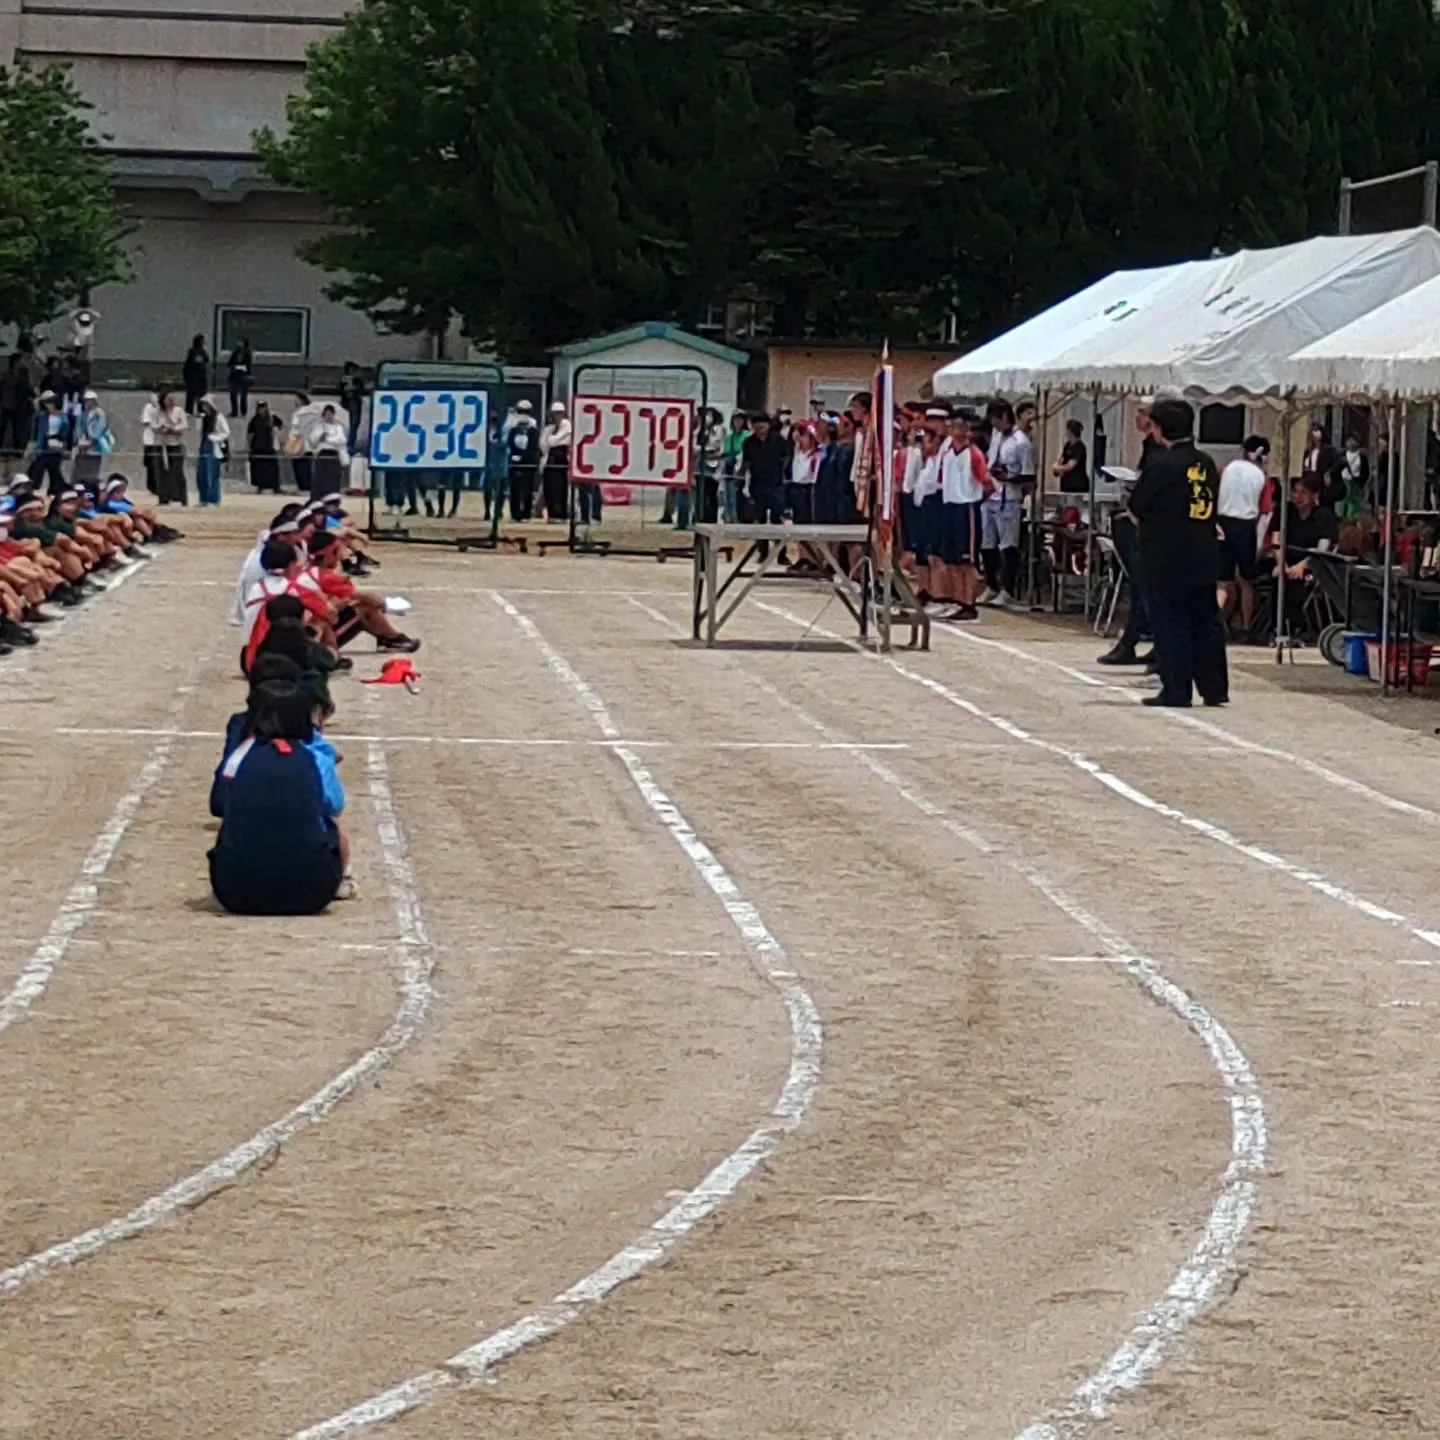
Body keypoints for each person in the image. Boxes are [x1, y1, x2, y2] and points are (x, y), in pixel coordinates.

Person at [208, 677, 354, 914]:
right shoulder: (314, 755)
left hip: (235, 893)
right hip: (313, 893)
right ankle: (343, 880)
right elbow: (334, 805)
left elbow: (221, 803)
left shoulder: (239, 756)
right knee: (331, 822)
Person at [1127, 398, 1227, 708]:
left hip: (1168, 555)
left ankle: (1177, 688)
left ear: (1159, 429)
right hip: (1204, 550)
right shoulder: (1205, 463)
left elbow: (1136, 507)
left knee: (1171, 621)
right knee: (1206, 620)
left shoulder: (1162, 465)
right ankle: (1215, 687)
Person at [933, 409, 993, 622]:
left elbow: (988, 483)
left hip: (966, 507)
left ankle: (969, 603)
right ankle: (957, 600)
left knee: (967, 561)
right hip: (949, 506)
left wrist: (975, 499)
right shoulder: (948, 453)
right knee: (951, 561)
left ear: (967, 430)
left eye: (958, 426)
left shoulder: (974, 454)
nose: (954, 430)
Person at [1216, 435, 1269, 640]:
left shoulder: (1226, 469)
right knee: (1247, 580)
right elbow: (1264, 512)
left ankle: (1217, 620)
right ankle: (1247, 627)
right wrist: (1259, 544)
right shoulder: (1261, 477)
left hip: (1222, 523)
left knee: (1222, 580)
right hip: (1246, 527)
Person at [980, 398, 1032, 606]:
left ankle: (1007, 588)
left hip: (1009, 497)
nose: (994, 424)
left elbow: (1028, 476)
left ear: (1004, 416)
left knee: (1007, 545)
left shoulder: (1021, 442)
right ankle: (991, 584)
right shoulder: (997, 438)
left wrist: (1008, 478)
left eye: (996, 419)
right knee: (987, 544)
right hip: (991, 496)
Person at [1275, 474, 1339, 642]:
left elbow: (1322, 548)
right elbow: (1277, 539)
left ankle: (1297, 627)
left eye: (1304, 492)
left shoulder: (1324, 516)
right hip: (1284, 561)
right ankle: (1277, 627)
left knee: (1298, 583)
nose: (1298, 497)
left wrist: (1302, 565)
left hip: (1312, 565)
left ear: (1314, 495)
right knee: (1277, 578)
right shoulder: (1285, 511)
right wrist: (1282, 564)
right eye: (1295, 492)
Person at [142, 388, 188, 504]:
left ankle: (181, 498)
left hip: (174, 445)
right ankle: (164, 497)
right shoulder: (158, 412)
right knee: (161, 473)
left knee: (177, 472)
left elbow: (183, 425)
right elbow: (153, 424)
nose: (170, 401)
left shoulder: (178, 411)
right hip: (161, 444)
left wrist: (172, 428)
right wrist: (159, 427)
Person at [740, 412, 787, 523]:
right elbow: (746, 462)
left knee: (777, 512)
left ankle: (777, 537)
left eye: (762, 426)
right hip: (757, 482)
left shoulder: (778, 439)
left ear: (768, 425)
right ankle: (762, 539)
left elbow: (786, 456)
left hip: (775, 481)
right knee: (759, 513)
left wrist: (784, 471)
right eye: (756, 427)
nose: (759, 429)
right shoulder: (748, 443)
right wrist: (742, 477)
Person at [28, 391, 72, 493]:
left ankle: (56, 491)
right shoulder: (42, 416)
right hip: (42, 449)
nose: (48, 405)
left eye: (50, 402)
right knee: (37, 470)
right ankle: (33, 489)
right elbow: (37, 433)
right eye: (46, 403)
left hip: (56, 448)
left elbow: (66, 433)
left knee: (54, 472)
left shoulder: (63, 417)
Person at [307, 403, 350, 502]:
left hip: (334, 455)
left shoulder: (338, 427)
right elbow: (313, 441)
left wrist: (327, 439)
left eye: (331, 414)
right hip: (322, 454)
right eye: (327, 414)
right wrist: (320, 437)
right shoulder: (318, 427)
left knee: (333, 479)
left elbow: (341, 440)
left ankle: (332, 497)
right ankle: (318, 498)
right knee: (320, 478)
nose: (329, 416)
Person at [505, 400, 540, 522]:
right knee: (514, 489)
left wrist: (524, 457)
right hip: (515, 461)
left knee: (527, 490)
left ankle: (526, 514)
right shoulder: (513, 427)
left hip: (528, 462)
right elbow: (509, 442)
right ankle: (515, 514)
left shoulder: (533, 427)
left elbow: (533, 446)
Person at [538, 401, 572, 522]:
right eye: (554, 413)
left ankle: (561, 514)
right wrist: (550, 442)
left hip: (561, 460)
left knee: (560, 489)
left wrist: (551, 441)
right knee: (549, 489)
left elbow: (553, 441)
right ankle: (551, 513)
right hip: (548, 460)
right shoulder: (549, 428)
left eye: (559, 413)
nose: (556, 416)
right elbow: (543, 444)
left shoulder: (567, 426)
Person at [73, 391, 112, 488]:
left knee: (94, 468)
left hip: (95, 445)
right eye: (86, 400)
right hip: (83, 445)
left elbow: (101, 427)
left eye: (90, 400)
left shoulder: (100, 413)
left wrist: (92, 439)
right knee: (81, 467)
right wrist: (80, 439)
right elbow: (79, 428)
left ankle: (92, 487)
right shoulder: (82, 414)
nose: (88, 402)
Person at [196, 398, 230, 506]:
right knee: (202, 475)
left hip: (214, 447)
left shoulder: (218, 417)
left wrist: (214, 438)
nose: (204, 408)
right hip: (203, 445)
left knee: (212, 475)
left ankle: (213, 499)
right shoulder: (203, 418)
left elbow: (226, 432)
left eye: (206, 405)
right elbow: (199, 431)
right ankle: (203, 499)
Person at [1326, 434, 1369, 517]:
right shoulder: (1341, 455)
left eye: (1354, 440)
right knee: (1341, 504)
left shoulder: (1362, 456)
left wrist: (1361, 482)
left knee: (1353, 505)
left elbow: (1365, 472)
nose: (1351, 443)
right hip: (1342, 483)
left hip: (1355, 483)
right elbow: (1334, 468)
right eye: (1349, 440)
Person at [787, 422, 821, 525]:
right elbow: (795, 437)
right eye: (802, 436)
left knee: (806, 516)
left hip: (807, 488)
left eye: (806, 436)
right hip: (795, 486)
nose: (802, 439)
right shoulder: (798, 451)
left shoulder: (816, 455)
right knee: (796, 516)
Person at [0, 353, 34, 455]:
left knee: (18, 430)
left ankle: (16, 451)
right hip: (6, 405)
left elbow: (28, 388)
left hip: (19, 406)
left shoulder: (24, 374)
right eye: (21, 360)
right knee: (3, 429)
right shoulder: (6, 374)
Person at [720, 410, 748, 523]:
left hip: (741, 467)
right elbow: (725, 453)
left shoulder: (747, 435)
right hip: (729, 467)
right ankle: (728, 517)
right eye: (736, 419)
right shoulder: (729, 437)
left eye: (740, 419)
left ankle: (738, 518)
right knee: (728, 494)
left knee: (738, 495)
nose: (738, 422)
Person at [248, 402, 282, 492]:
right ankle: (260, 486)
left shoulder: (272, 418)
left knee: (272, 468)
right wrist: (250, 446)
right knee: (259, 469)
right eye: (260, 408)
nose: (261, 410)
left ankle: (275, 487)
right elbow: (250, 433)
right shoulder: (255, 419)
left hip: (270, 447)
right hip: (258, 447)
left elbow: (280, 426)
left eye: (263, 408)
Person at [1301, 423, 1339, 496]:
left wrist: (1328, 472)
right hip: (1309, 480)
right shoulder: (1308, 451)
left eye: (1317, 430)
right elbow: (1304, 466)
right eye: (1314, 431)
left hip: (1321, 481)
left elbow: (1337, 462)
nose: (1316, 433)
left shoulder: (1328, 449)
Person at [1053, 418, 1089, 494]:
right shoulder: (1067, 445)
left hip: (1077, 486)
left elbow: (1070, 466)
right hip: (1066, 484)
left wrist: (1057, 467)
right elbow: (1060, 460)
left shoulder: (1079, 447)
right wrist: (1057, 468)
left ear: (1070, 431)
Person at [338, 362, 367, 453]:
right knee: (353, 424)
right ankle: (349, 445)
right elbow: (361, 389)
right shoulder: (353, 380)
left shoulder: (345, 380)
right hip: (352, 403)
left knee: (352, 424)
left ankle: (349, 444)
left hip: (350, 403)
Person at [182, 334, 209, 414]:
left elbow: (207, 360)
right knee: (192, 393)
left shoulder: (203, 351)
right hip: (194, 375)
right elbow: (191, 362)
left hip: (200, 375)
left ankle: (198, 409)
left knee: (200, 393)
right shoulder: (193, 351)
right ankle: (190, 409)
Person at [228, 337, 253, 418]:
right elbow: (229, 363)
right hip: (234, 376)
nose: (238, 343)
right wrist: (233, 366)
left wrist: (239, 368)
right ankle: (234, 411)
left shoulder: (247, 353)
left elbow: (248, 366)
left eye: (241, 342)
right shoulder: (235, 353)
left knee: (243, 395)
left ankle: (243, 411)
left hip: (243, 376)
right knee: (233, 394)